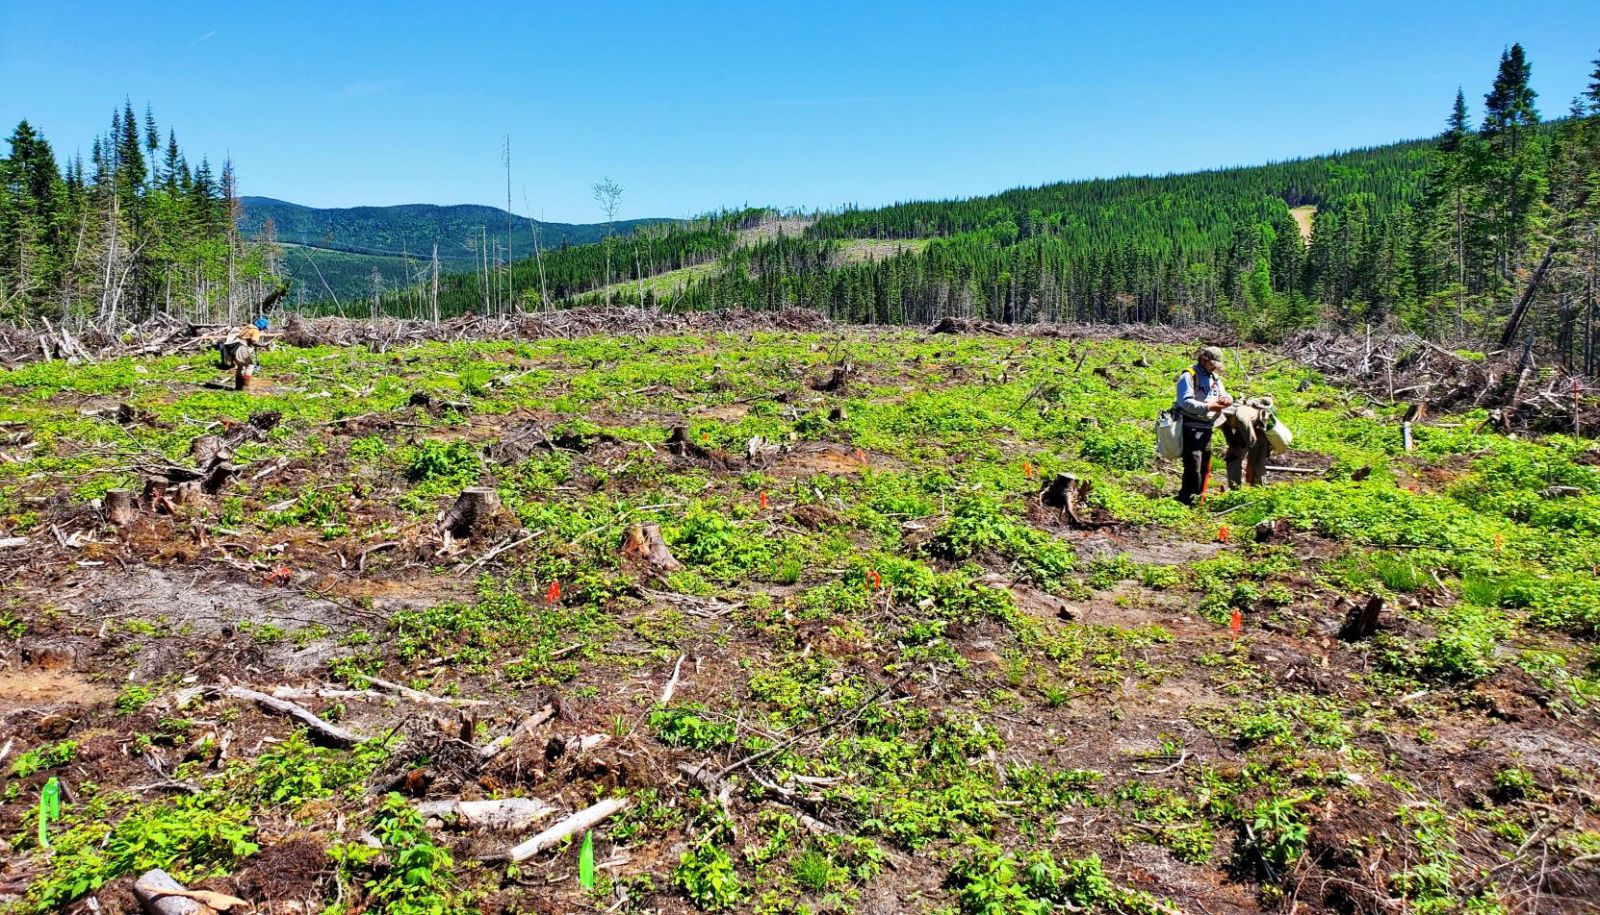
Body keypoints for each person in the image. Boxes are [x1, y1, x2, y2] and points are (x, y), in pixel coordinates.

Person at [1173, 345, 1231, 505]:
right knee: (1194, 464)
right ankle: (1187, 498)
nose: (1213, 367)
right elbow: (1185, 402)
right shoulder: (1189, 376)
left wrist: (1226, 399)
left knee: (1205, 464)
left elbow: (1224, 393)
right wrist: (1208, 407)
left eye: (1215, 365)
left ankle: (1200, 496)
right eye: (1211, 364)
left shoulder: (1214, 377)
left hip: (1207, 426)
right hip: (1190, 426)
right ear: (1203, 359)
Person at [1220, 396, 1275, 488]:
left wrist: (1251, 449)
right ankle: (1235, 489)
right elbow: (1228, 434)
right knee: (1233, 457)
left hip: (1258, 429)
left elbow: (1251, 439)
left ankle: (1258, 490)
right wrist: (1233, 446)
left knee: (1256, 461)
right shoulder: (1222, 415)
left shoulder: (1241, 415)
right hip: (1243, 429)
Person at [218, 316, 268, 390]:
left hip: (236, 348)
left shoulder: (248, 327)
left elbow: (241, 336)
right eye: (264, 328)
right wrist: (264, 345)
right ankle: (245, 387)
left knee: (240, 367)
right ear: (262, 326)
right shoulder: (255, 331)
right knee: (250, 366)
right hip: (243, 348)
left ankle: (238, 387)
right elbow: (254, 341)